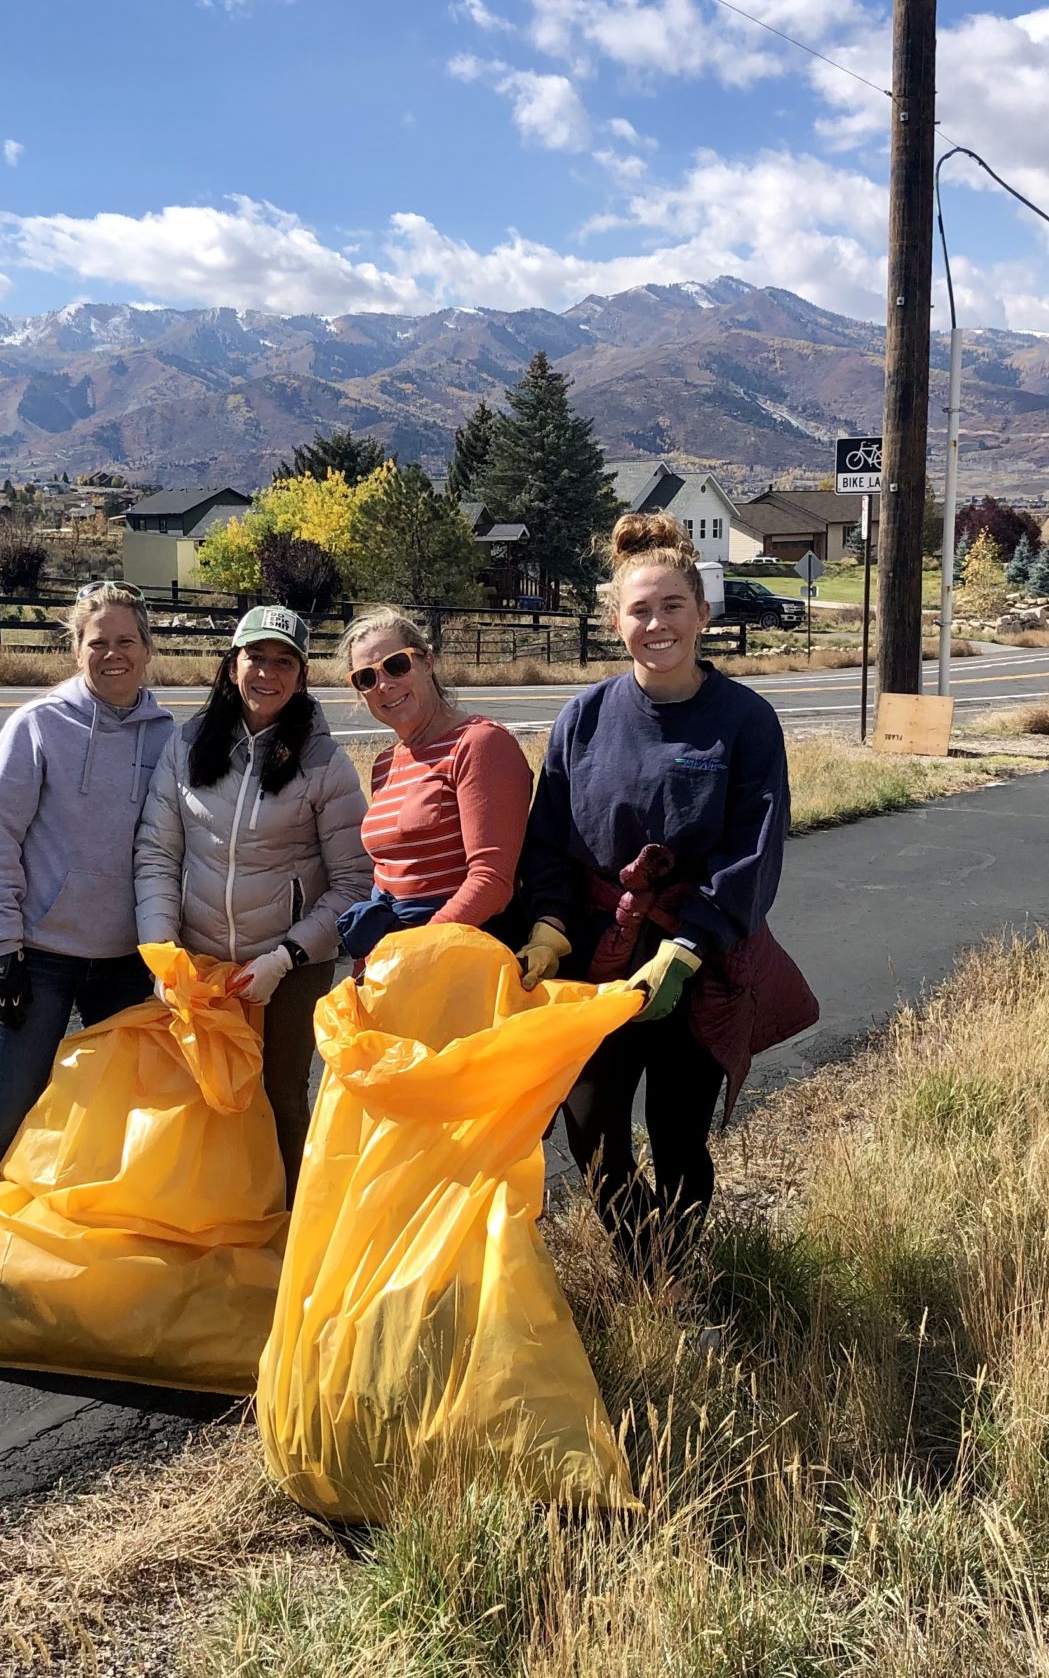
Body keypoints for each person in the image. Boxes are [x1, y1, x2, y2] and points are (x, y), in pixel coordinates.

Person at [516, 514, 817, 1274]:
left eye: (673, 606)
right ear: (616, 621)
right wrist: (551, 923)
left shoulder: (745, 722)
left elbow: (756, 846)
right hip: (595, 961)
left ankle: (673, 1283)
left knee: (679, 1137)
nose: (658, 624)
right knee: (591, 1137)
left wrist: (689, 944)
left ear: (703, 613)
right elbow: (547, 839)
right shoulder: (582, 719)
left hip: (697, 963)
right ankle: (655, 1264)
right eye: (640, 610)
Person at [0, 584, 176, 1241]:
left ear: (148, 649)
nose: (113, 654)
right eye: (98, 642)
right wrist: (2, 951)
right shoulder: (37, 726)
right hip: (37, 958)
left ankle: (88, 1261)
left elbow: (177, 851)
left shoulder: (169, 739)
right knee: (1, 1116)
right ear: (76, 650)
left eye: (127, 640)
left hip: (126, 965)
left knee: (121, 1119)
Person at [135, 604, 371, 1185]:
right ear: (231, 665)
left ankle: (293, 1237)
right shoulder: (188, 744)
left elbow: (353, 883)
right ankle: (214, 1231)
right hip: (201, 963)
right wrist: (162, 954)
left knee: (279, 1099)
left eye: (284, 662)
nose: (268, 673)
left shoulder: (323, 762)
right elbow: (158, 856)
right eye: (255, 658)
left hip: (286, 969)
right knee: (204, 1099)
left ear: (301, 674)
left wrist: (284, 957)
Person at [334, 608, 534, 960]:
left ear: (427, 662)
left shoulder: (479, 743)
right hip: (394, 952)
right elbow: (388, 875)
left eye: (396, 665)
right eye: (365, 678)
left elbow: (491, 883)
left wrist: (419, 952)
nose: (383, 684)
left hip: (455, 955)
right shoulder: (384, 763)